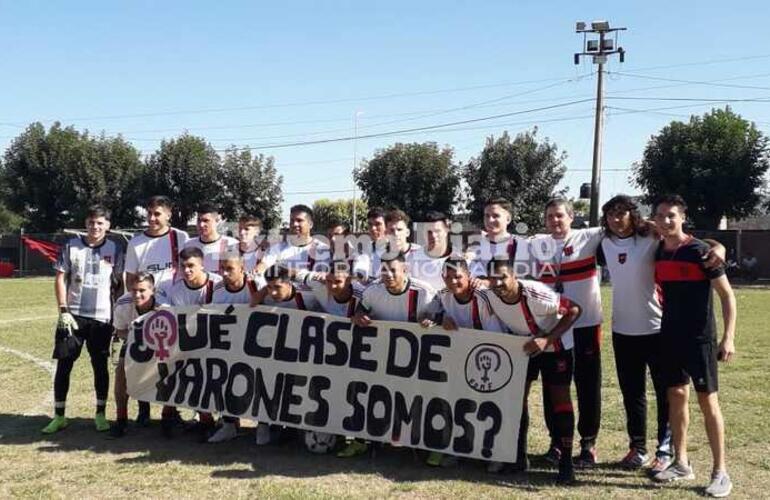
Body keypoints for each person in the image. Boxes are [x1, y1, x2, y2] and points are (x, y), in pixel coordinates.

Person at [650, 195, 737, 498]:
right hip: (669, 335)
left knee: (707, 401)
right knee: (675, 396)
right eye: (660, 216)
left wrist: (729, 337)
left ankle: (720, 471)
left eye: (671, 215)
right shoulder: (658, 249)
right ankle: (681, 462)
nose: (665, 221)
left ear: (683, 217)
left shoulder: (702, 252)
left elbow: (727, 296)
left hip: (700, 338)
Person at [482, 257, 581, 484]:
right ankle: (518, 456)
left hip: (556, 347)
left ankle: (566, 463)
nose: (497, 284)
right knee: (517, 400)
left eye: (503, 278)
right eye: (492, 279)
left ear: (515, 277)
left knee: (560, 402)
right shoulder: (489, 295)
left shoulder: (535, 293)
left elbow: (575, 309)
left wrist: (546, 339)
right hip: (524, 347)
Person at [529, 197, 604, 467]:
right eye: (550, 216)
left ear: (571, 216)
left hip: (586, 325)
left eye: (560, 215)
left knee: (588, 385)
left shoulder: (589, 236)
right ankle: (558, 442)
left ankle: (588, 444)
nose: (555, 221)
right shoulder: (536, 243)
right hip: (554, 327)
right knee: (553, 387)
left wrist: (715, 246)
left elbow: (634, 228)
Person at [345, 252, 436, 458]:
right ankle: (367, 440)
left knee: (415, 400)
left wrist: (432, 321)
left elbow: (438, 317)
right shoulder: (373, 291)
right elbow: (359, 312)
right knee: (374, 396)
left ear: (405, 270)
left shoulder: (423, 293)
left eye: (393, 270)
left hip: (416, 358)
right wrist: (359, 317)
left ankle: (422, 444)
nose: (388, 275)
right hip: (382, 356)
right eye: (384, 270)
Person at [43, 205, 124, 434]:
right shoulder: (71, 245)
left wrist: (117, 315)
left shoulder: (115, 248)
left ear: (108, 226)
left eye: (100, 223)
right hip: (73, 316)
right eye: (91, 222)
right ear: (85, 223)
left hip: (102, 318)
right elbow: (60, 278)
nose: (95, 227)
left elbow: (118, 285)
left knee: (100, 366)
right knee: (64, 364)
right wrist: (63, 309)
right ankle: (59, 416)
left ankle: (100, 414)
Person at [422, 258, 505, 469]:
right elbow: (424, 315)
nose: (453, 282)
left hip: (487, 357)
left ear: (469, 277)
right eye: (448, 277)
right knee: (459, 405)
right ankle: (459, 449)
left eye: (458, 276)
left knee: (490, 405)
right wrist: (438, 320)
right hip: (457, 360)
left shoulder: (483, 298)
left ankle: (494, 452)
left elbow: (496, 335)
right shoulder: (442, 296)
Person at [123, 195, 189, 425]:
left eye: (157, 213)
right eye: (149, 213)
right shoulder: (136, 242)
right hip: (144, 310)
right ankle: (143, 409)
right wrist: (137, 304)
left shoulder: (180, 238)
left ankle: (171, 411)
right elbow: (130, 277)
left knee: (170, 363)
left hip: (172, 310)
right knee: (143, 362)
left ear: (169, 214)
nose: (152, 218)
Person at [156, 246, 222, 440]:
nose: (187, 271)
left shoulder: (217, 285)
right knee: (178, 370)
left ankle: (226, 422)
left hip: (217, 342)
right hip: (189, 343)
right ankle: (178, 416)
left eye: (191, 266)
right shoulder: (177, 291)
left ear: (202, 265)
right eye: (183, 266)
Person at [253, 264, 322, 446]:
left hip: (301, 354)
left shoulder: (308, 298)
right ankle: (264, 424)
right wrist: (261, 293)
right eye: (269, 287)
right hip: (273, 352)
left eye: (277, 287)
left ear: (289, 284)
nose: (273, 293)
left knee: (296, 389)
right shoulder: (266, 298)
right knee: (268, 385)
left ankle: (293, 427)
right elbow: (251, 306)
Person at [207, 254, 259, 444]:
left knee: (260, 381)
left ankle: (263, 425)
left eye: (230, 269)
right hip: (229, 346)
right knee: (225, 380)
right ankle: (229, 424)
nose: (225, 273)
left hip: (257, 345)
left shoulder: (257, 286)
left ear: (242, 269)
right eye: (222, 269)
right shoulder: (218, 290)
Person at [109, 272, 157, 438]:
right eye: (134, 290)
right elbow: (120, 330)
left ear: (153, 290)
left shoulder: (164, 305)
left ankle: (169, 415)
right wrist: (136, 339)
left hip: (162, 343)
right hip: (133, 340)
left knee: (170, 368)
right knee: (122, 371)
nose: (137, 294)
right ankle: (121, 418)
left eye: (142, 290)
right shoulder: (123, 303)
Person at [467, 198, 529, 282]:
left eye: (495, 216)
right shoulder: (475, 245)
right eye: (487, 216)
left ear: (508, 219)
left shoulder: (520, 245)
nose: (490, 220)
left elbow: (522, 281)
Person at [259, 204, 330, 277]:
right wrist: (258, 271)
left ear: (311, 224)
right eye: (292, 220)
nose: (294, 224)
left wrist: (294, 273)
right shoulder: (279, 248)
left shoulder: (322, 249)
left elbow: (324, 278)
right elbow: (264, 265)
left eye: (299, 220)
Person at [184, 203, 238, 275]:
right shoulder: (189, 245)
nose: (201, 225)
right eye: (199, 220)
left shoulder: (231, 244)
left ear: (217, 220)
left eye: (206, 220)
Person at [409, 211, 455, 290]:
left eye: (437, 231)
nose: (433, 236)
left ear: (446, 230)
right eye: (429, 232)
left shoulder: (460, 258)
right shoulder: (412, 259)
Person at [352, 206, 389, 283]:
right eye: (370, 224)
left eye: (378, 224)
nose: (373, 228)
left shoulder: (397, 251)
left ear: (387, 226)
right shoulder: (364, 250)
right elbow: (359, 274)